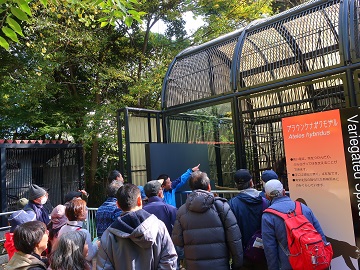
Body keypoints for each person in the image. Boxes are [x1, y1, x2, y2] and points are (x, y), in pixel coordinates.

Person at [172, 170, 243, 270]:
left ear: (191, 188)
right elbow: (234, 238)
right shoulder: (221, 207)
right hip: (220, 266)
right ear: (209, 187)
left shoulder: (182, 211)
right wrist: (237, 264)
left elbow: (177, 244)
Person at [96, 183, 178, 270]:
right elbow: (169, 260)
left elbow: (104, 267)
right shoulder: (159, 226)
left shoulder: (109, 235)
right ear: (139, 200)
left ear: (118, 205)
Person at [261, 179, 328, 270]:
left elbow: (270, 248)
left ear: (267, 196)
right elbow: (319, 233)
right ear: (284, 191)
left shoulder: (268, 216)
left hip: (288, 264)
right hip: (312, 260)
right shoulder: (302, 207)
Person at [228, 169, 268, 269]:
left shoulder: (232, 204)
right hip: (263, 252)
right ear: (251, 182)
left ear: (236, 185)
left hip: (243, 254)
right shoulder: (265, 202)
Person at [57, 199, 98, 263]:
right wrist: (96, 245)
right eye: (85, 209)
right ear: (80, 213)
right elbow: (89, 256)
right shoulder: (84, 232)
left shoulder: (62, 228)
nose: (87, 211)